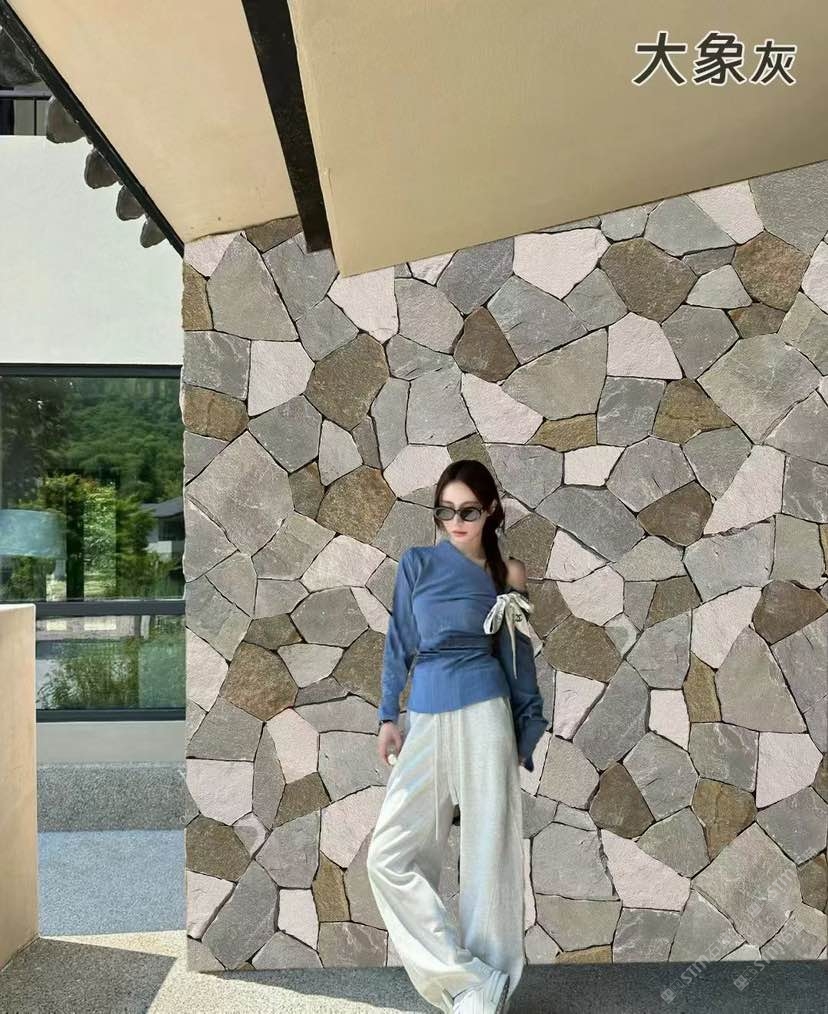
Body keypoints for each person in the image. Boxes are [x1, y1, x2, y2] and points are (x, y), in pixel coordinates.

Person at [366, 459, 550, 1014]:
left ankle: (484, 999)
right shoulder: (417, 564)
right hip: (425, 715)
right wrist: (388, 715)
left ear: (490, 511)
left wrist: (525, 730)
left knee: (488, 858)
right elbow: (399, 641)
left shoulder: (505, 574)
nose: (455, 522)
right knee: (388, 857)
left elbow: (518, 659)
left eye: (467, 511)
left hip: (485, 717)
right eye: (445, 511)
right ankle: (469, 978)